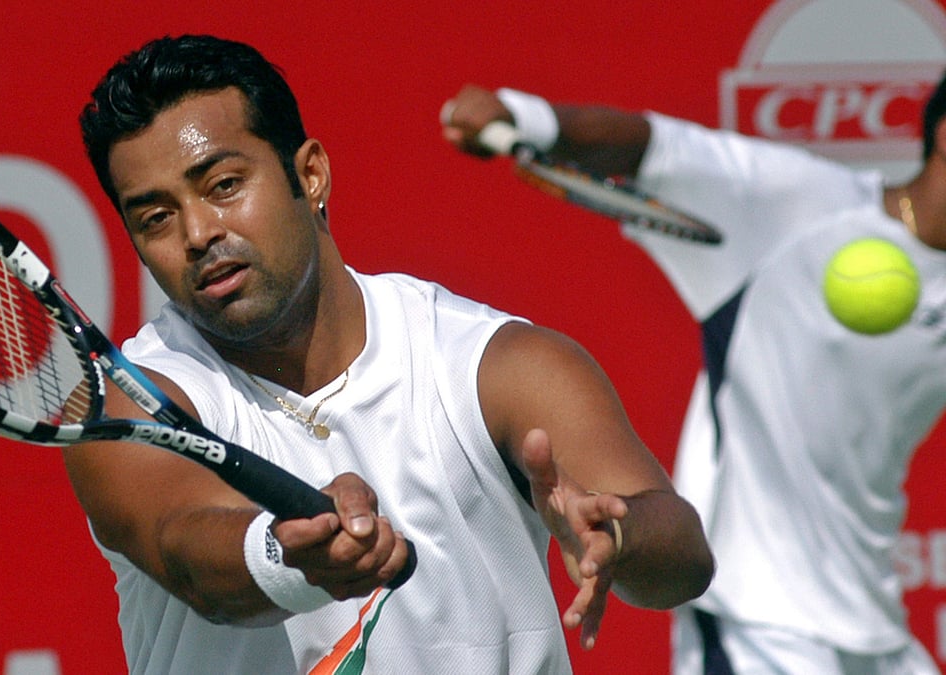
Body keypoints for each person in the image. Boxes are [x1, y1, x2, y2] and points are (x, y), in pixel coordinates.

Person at [67, 34, 713, 675]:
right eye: (155, 218)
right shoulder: (128, 403)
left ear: (310, 174)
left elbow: (683, 554)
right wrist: (287, 556)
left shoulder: (498, 365)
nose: (198, 232)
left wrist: (616, 536)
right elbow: (186, 550)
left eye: (224, 184)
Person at [439, 79, 946, 674]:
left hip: (873, 620)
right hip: (756, 617)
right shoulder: (800, 206)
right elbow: (655, 149)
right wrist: (528, 116)